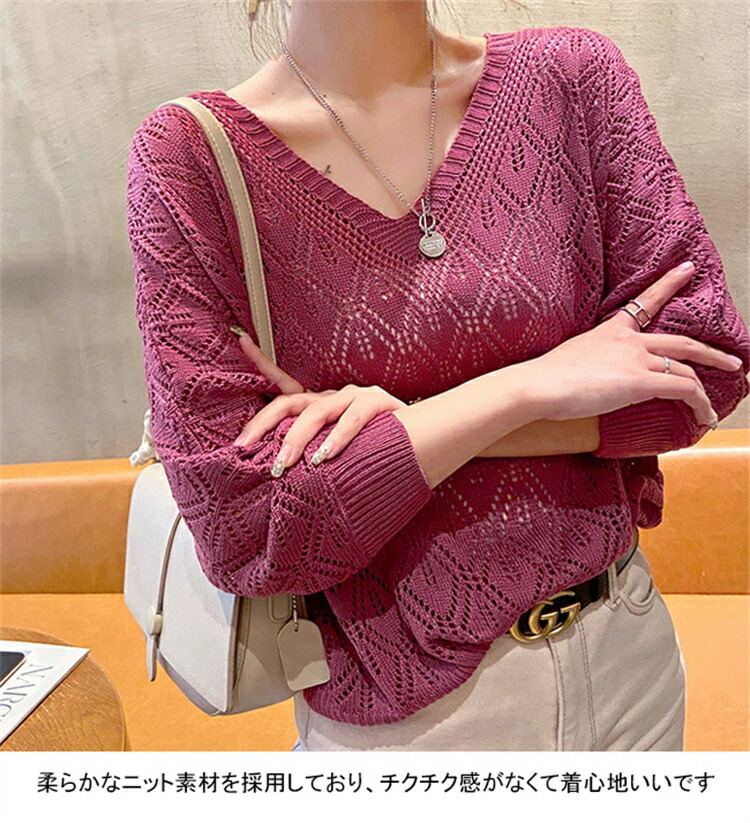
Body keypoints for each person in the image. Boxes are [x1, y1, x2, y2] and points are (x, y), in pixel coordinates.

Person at [126, 1, 750, 751]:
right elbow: (249, 529)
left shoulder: (572, 79)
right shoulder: (190, 159)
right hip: (410, 726)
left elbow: (704, 372)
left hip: (626, 656)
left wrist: (402, 428)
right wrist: (528, 387)